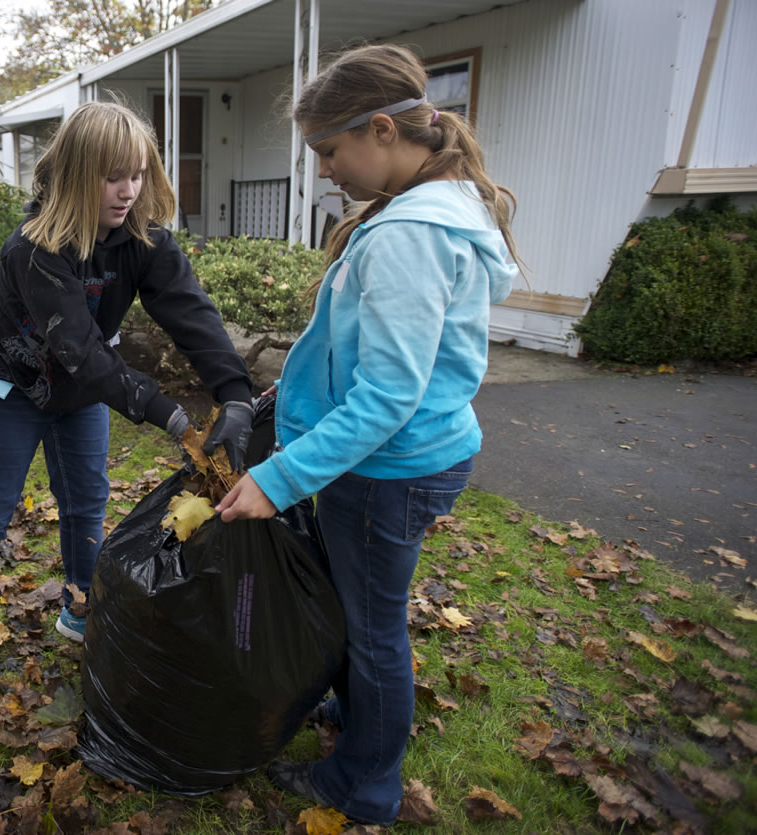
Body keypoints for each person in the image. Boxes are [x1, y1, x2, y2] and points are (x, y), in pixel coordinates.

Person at [215, 44, 519, 826]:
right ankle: (357, 720)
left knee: (374, 630)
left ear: (382, 129)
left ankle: (365, 782)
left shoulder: (410, 235)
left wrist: (279, 478)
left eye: (327, 150)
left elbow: (387, 396)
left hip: (393, 469)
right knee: (357, 612)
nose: (323, 169)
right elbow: (364, 357)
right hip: (387, 459)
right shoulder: (423, 209)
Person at [0, 101, 254, 719]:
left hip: (82, 385)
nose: (129, 191)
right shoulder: (33, 248)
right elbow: (78, 347)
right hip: (11, 383)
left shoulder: (141, 240)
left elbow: (192, 315)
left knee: (87, 499)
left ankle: (80, 606)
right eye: (114, 176)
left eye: (137, 174)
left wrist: (235, 394)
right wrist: (176, 419)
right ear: (79, 173)